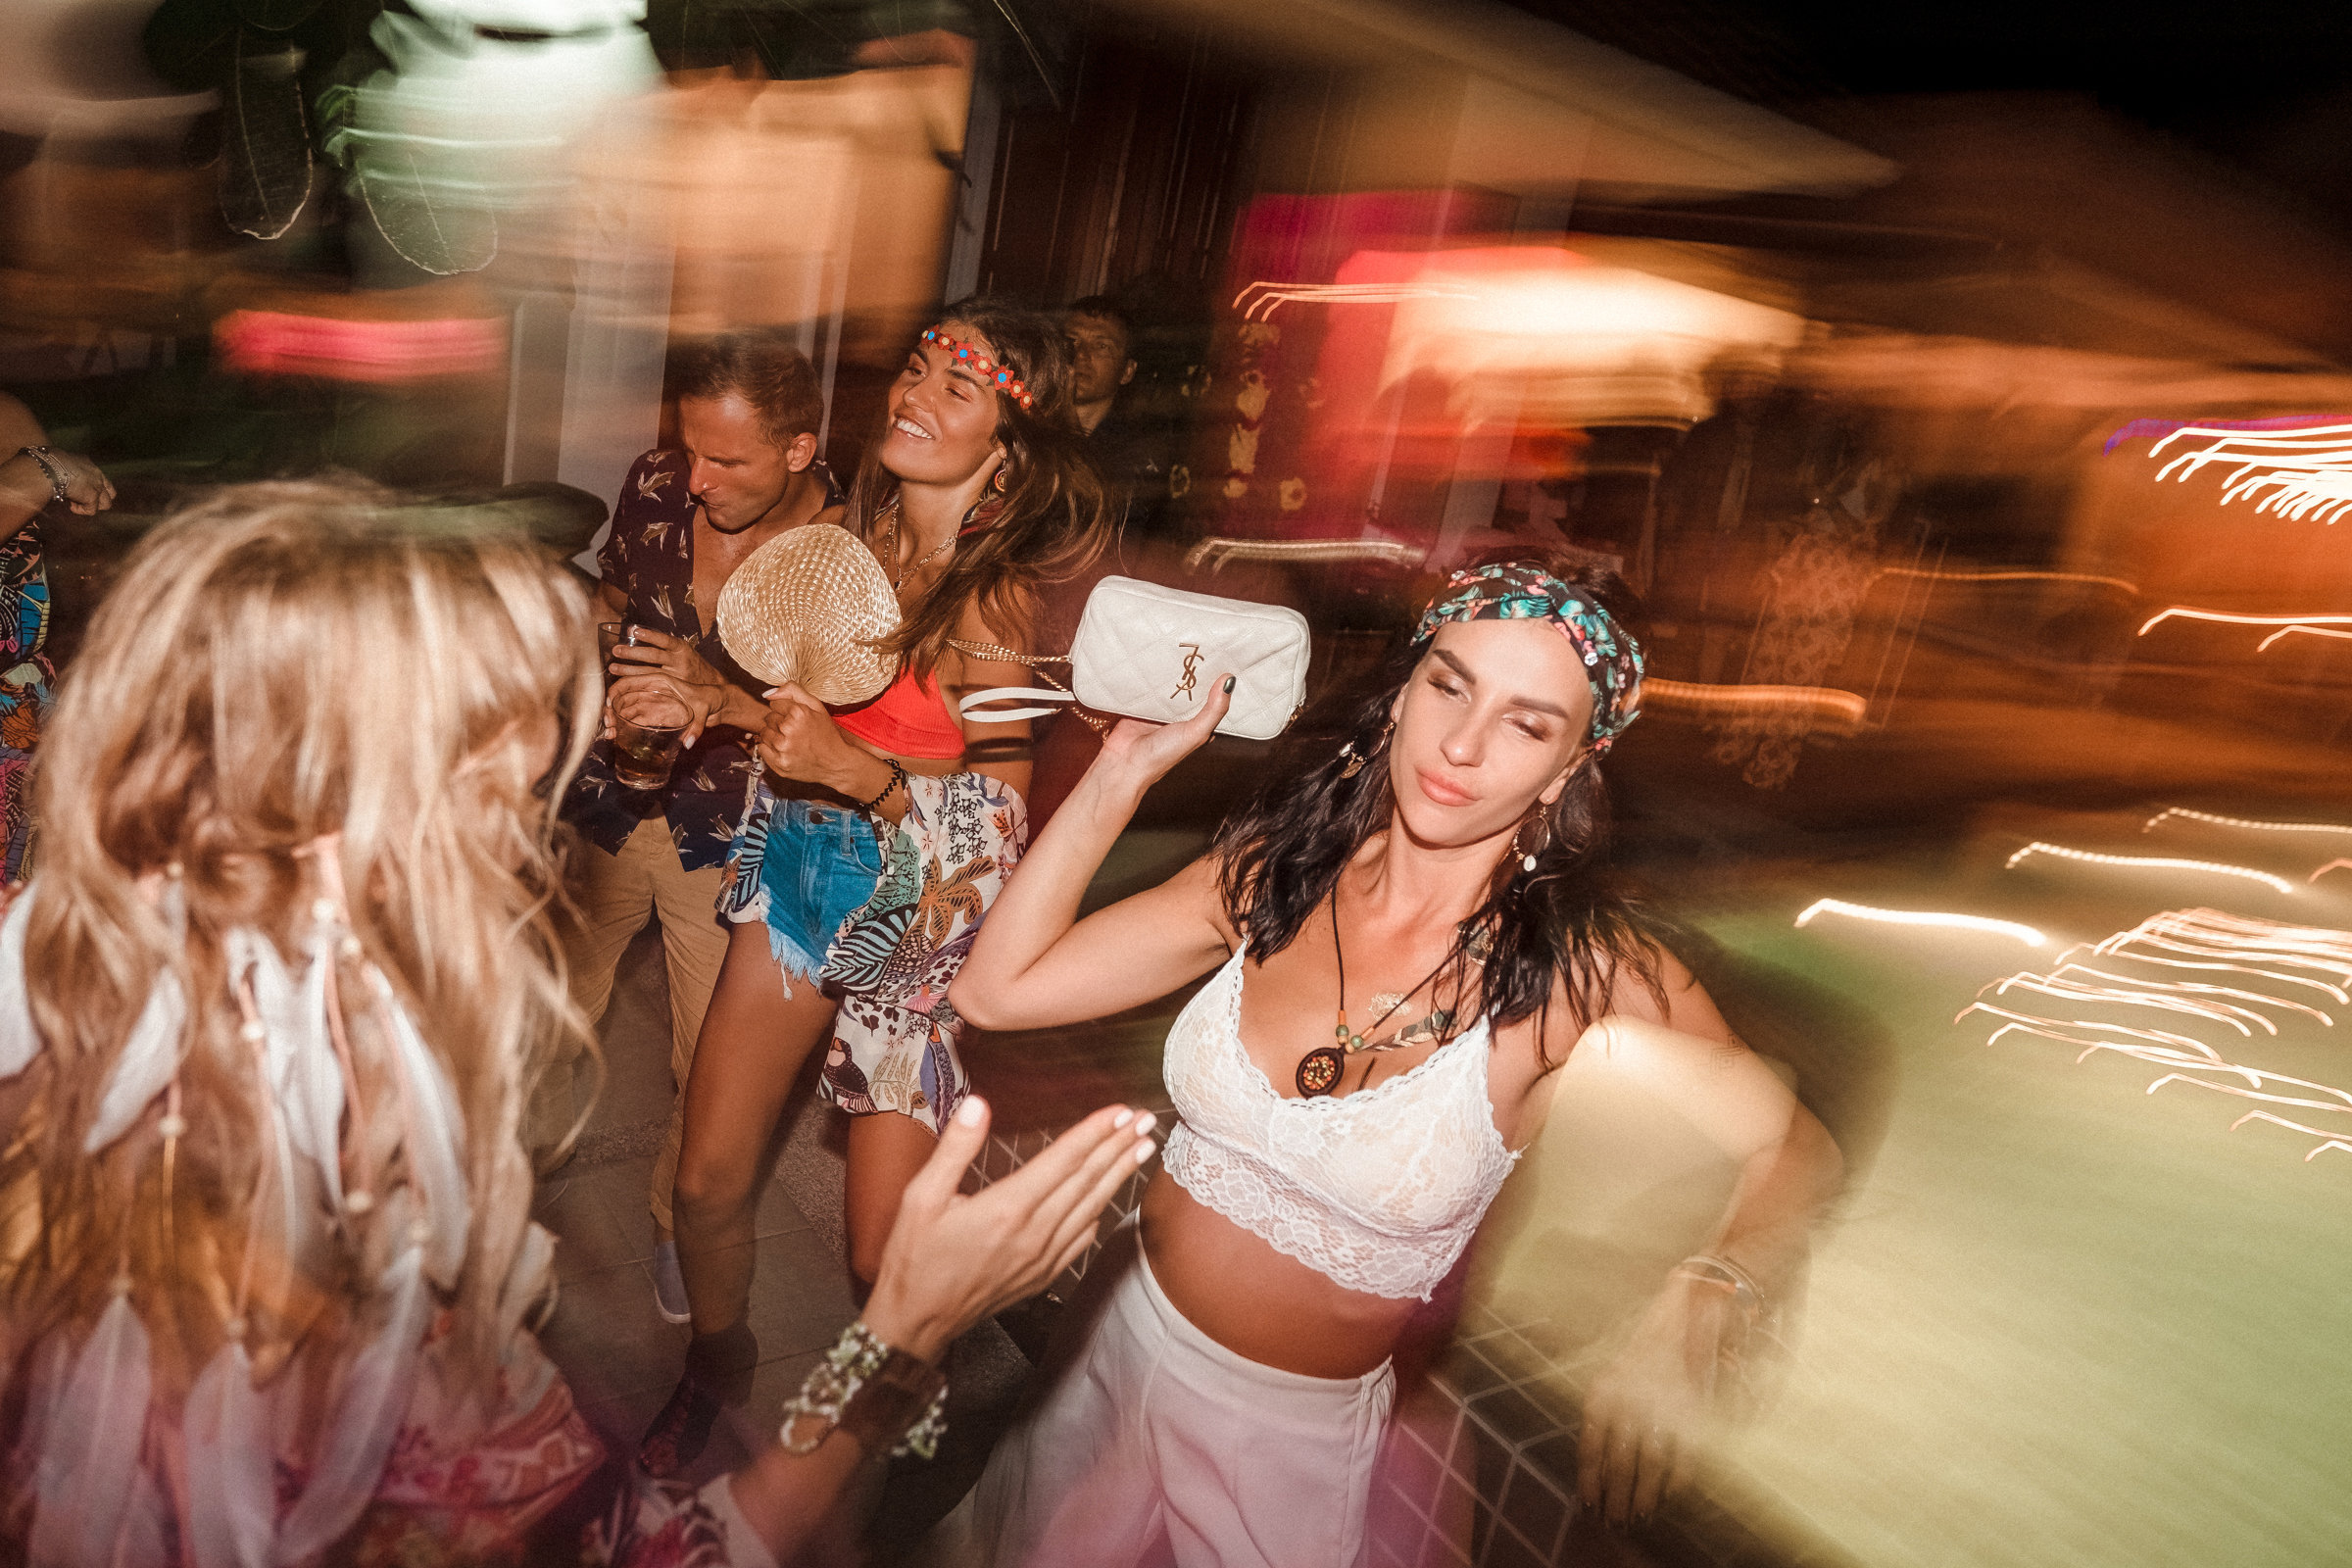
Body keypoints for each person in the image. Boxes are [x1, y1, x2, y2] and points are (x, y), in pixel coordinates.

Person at [0, 483, 1160, 1564]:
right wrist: (894, 1343)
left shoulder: (79, 985)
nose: (529, 848)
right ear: (345, 826)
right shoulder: (334, 1246)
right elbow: (658, 1546)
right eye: (501, 802)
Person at [943, 554, 1845, 1564]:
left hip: (1283, 1452)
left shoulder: (1576, 974)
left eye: (1526, 724)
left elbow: (1797, 1148)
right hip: (1116, 1350)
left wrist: (1708, 1285)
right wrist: (1123, 769)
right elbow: (996, 991)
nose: (1462, 744)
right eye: (1450, 685)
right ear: (1404, 692)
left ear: (1565, 771)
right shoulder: (1276, 870)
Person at [625, 299, 1111, 1475]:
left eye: (958, 386)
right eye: (918, 366)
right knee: (707, 1177)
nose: (914, 393)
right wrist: (711, 698)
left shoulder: (998, 609)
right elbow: (799, 725)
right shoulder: (848, 540)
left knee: (880, 1257)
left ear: (1009, 447)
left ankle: (880, 1431)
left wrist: (863, 776)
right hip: (803, 863)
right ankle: (717, 1362)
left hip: (916, 915)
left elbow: (1000, 832)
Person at [558, 329, 845, 1321]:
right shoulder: (655, 484)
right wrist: (606, 677)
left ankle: (677, 1226)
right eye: (689, 451)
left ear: (799, 450)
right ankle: (493, 1186)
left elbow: (839, 740)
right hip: (603, 796)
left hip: (729, 834)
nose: (695, 480)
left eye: (726, 461)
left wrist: (718, 698)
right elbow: (610, 602)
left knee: (708, 1067)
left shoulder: (847, 556)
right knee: (542, 1012)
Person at [0, 395, 113, 881]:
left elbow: (78, 571)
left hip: (27, 736)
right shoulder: (32, 461)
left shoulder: (7, 418)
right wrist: (41, 472)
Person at [1061, 297, 1171, 537]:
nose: (1081, 355)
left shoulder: (1140, 451)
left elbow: (1094, 522)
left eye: (1102, 346)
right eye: (1071, 341)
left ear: (1127, 371)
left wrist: (1067, 418)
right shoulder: (1026, 423)